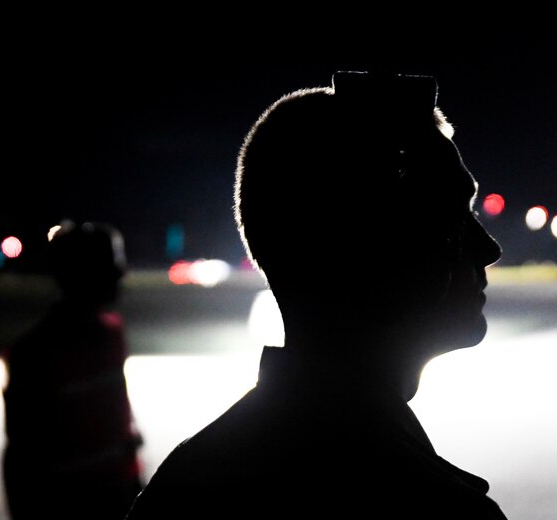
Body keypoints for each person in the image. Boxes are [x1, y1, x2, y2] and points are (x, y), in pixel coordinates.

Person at [126, 71, 507, 518]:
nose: (488, 249)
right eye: (451, 218)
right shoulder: (428, 503)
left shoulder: (183, 487)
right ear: (364, 245)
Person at [1, 220, 145, 520]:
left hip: (118, 497)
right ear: (84, 276)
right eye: (110, 272)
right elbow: (19, 458)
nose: (121, 279)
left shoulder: (112, 334)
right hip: (66, 505)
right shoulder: (33, 354)